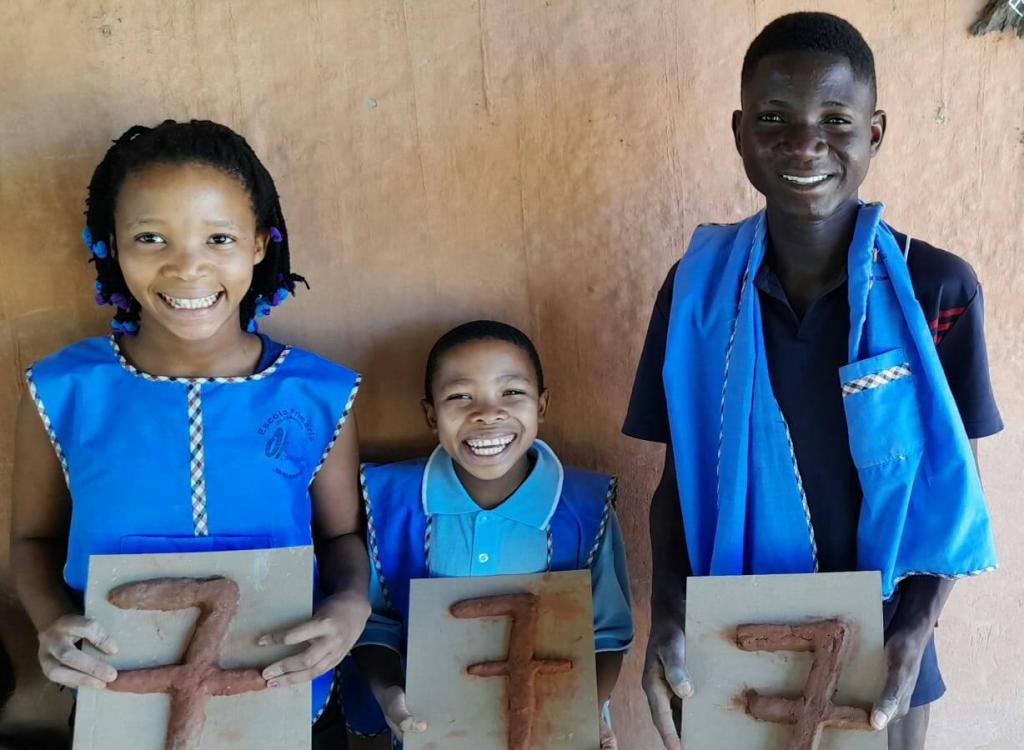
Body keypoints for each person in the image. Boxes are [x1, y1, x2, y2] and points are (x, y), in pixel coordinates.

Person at [624, 13, 1001, 750]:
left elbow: (953, 497)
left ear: (876, 130)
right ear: (739, 130)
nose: (804, 144)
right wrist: (667, 615)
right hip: (734, 642)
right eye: (773, 118)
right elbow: (678, 481)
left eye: (836, 118)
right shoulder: (695, 292)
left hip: (884, 655)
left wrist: (916, 633)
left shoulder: (936, 289)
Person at [10, 119, 369, 747]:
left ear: (260, 244)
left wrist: (350, 609)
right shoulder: (63, 390)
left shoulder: (317, 393)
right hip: (114, 703)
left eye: (219, 237)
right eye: (150, 237)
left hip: (289, 702)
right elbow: (33, 541)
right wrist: (52, 623)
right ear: (111, 247)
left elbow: (340, 537)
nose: (187, 267)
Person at [345, 320, 632, 748]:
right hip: (429, 730)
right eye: (460, 396)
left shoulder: (585, 509)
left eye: (512, 392)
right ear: (430, 414)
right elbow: (373, 625)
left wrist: (585, 713)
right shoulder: (388, 501)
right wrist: (390, 696)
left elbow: (607, 634)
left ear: (543, 405)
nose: (487, 413)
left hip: (552, 730)